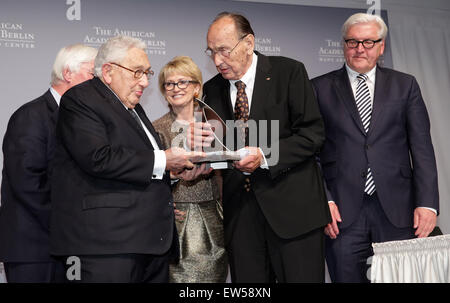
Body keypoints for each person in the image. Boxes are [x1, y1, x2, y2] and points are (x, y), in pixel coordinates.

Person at [49, 36, 206, 283]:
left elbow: (139, 167)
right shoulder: (80, 99)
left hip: (147, 244)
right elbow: (98, 158)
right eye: (137, 72)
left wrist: (173, 174)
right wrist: (164, 161)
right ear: (109, 71)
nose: (145, 81)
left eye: (147, 73)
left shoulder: (132, 108)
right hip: (105, 247)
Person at [196, 12, 331, 282]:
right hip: (242, 218)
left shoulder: (288, 72)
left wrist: (264, 155)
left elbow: (312, 134)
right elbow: (224, 148)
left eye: (223, 50)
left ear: (248, 42)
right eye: (211, 52)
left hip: (294, 214)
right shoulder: (212, 89)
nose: (217, 60)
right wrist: (202, 157)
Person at [311, 13, 439, 283]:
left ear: (382, 47)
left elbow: (422, 148)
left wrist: (427, 204)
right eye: (353, 42)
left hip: (399, 209)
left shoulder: (405, 85)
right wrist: (325, 200)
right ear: (344, 45)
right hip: (342, 214)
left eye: (368, 42)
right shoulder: (318, 88)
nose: (360, 48)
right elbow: (312, 154)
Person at [0, 44, 97, 283]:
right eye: (93, 75)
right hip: (33, 249)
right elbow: (27, 181)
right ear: (68, 74)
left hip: (66, 247)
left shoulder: (81, 121)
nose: (99, 84)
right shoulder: (31, 115)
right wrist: (68, 224)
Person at [153, 56, 228, 283]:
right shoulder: (156, 128)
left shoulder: (216, 123)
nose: (175, 88)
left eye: (182, 82)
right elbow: (154, 176)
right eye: (169, 83)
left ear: (197, 87)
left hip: (216, 216)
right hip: (179, 221)